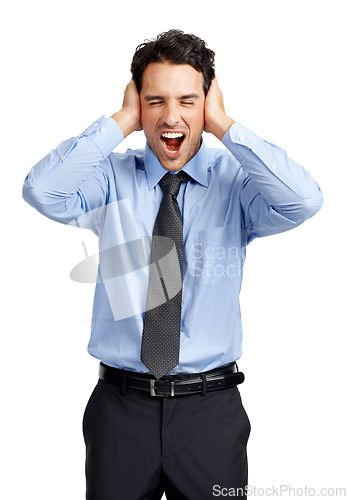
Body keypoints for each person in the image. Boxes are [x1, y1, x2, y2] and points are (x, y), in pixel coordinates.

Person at [22, 29, 323, 500]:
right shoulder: (110, 178)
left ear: (208, 100)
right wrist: (119, 122)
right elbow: (42, 191)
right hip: (120, 413)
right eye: (154, 100)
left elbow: (303, 201)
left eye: (188, 100)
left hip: (211, 414)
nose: (171, 116)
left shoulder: (238, 185)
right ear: (138, 104)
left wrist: (223, 124)